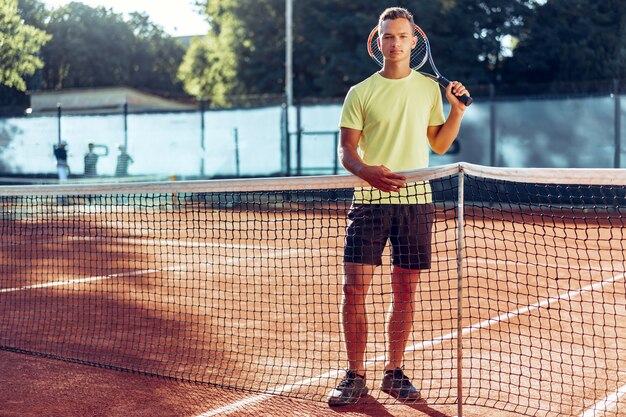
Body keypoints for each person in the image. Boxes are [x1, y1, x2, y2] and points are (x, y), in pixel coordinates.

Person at [327, 7, 470, 406]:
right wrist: (365, 172)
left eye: (402, 36)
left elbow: (439, 144)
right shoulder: (360, 92)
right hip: (370, 203)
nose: (395, 43)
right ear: (379, 41)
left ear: (413, 40)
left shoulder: (427, 90)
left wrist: (456, 111)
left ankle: (394, 371)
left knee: (404, 292)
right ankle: (355, 374)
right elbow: (347, 150)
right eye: (388, 36)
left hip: (415, 205)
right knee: (353, 290)